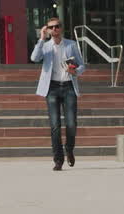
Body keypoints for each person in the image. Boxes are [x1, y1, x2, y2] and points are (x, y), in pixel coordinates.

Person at [31, 17, 85, 171]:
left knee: (71, 124)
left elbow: (82, 65)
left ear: (61, 28)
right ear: (47, 30)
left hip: (69, 87)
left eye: (57, 27)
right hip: (52, 88)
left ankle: (69, 148)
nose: (54, 30)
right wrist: (41, 39)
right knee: (55, 125)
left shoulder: (71, 45)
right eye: (51, 27)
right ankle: (58, 159)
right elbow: (34, 58)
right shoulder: (45, 46)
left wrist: (75, 71)